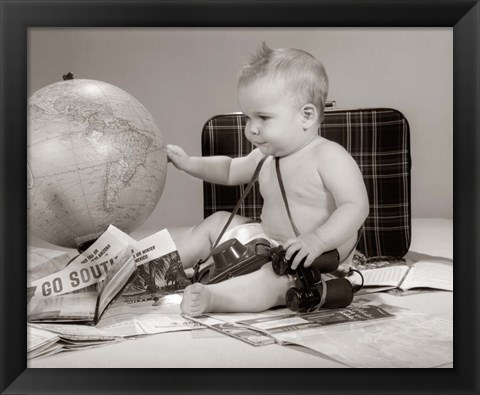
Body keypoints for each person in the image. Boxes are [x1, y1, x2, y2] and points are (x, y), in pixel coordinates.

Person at [166, 43, 369, 317]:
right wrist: (188, 164)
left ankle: (214, 298)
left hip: (311, 259)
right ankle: (161, 267)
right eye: (248, 117)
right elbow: (228, 170)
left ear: (306, 116)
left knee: (273, 282)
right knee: (216, 222)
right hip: (270, 242)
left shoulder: (328, 155)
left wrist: (318, 240)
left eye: (263, 117)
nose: (251, 128)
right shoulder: (266, 155)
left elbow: (355, 206)